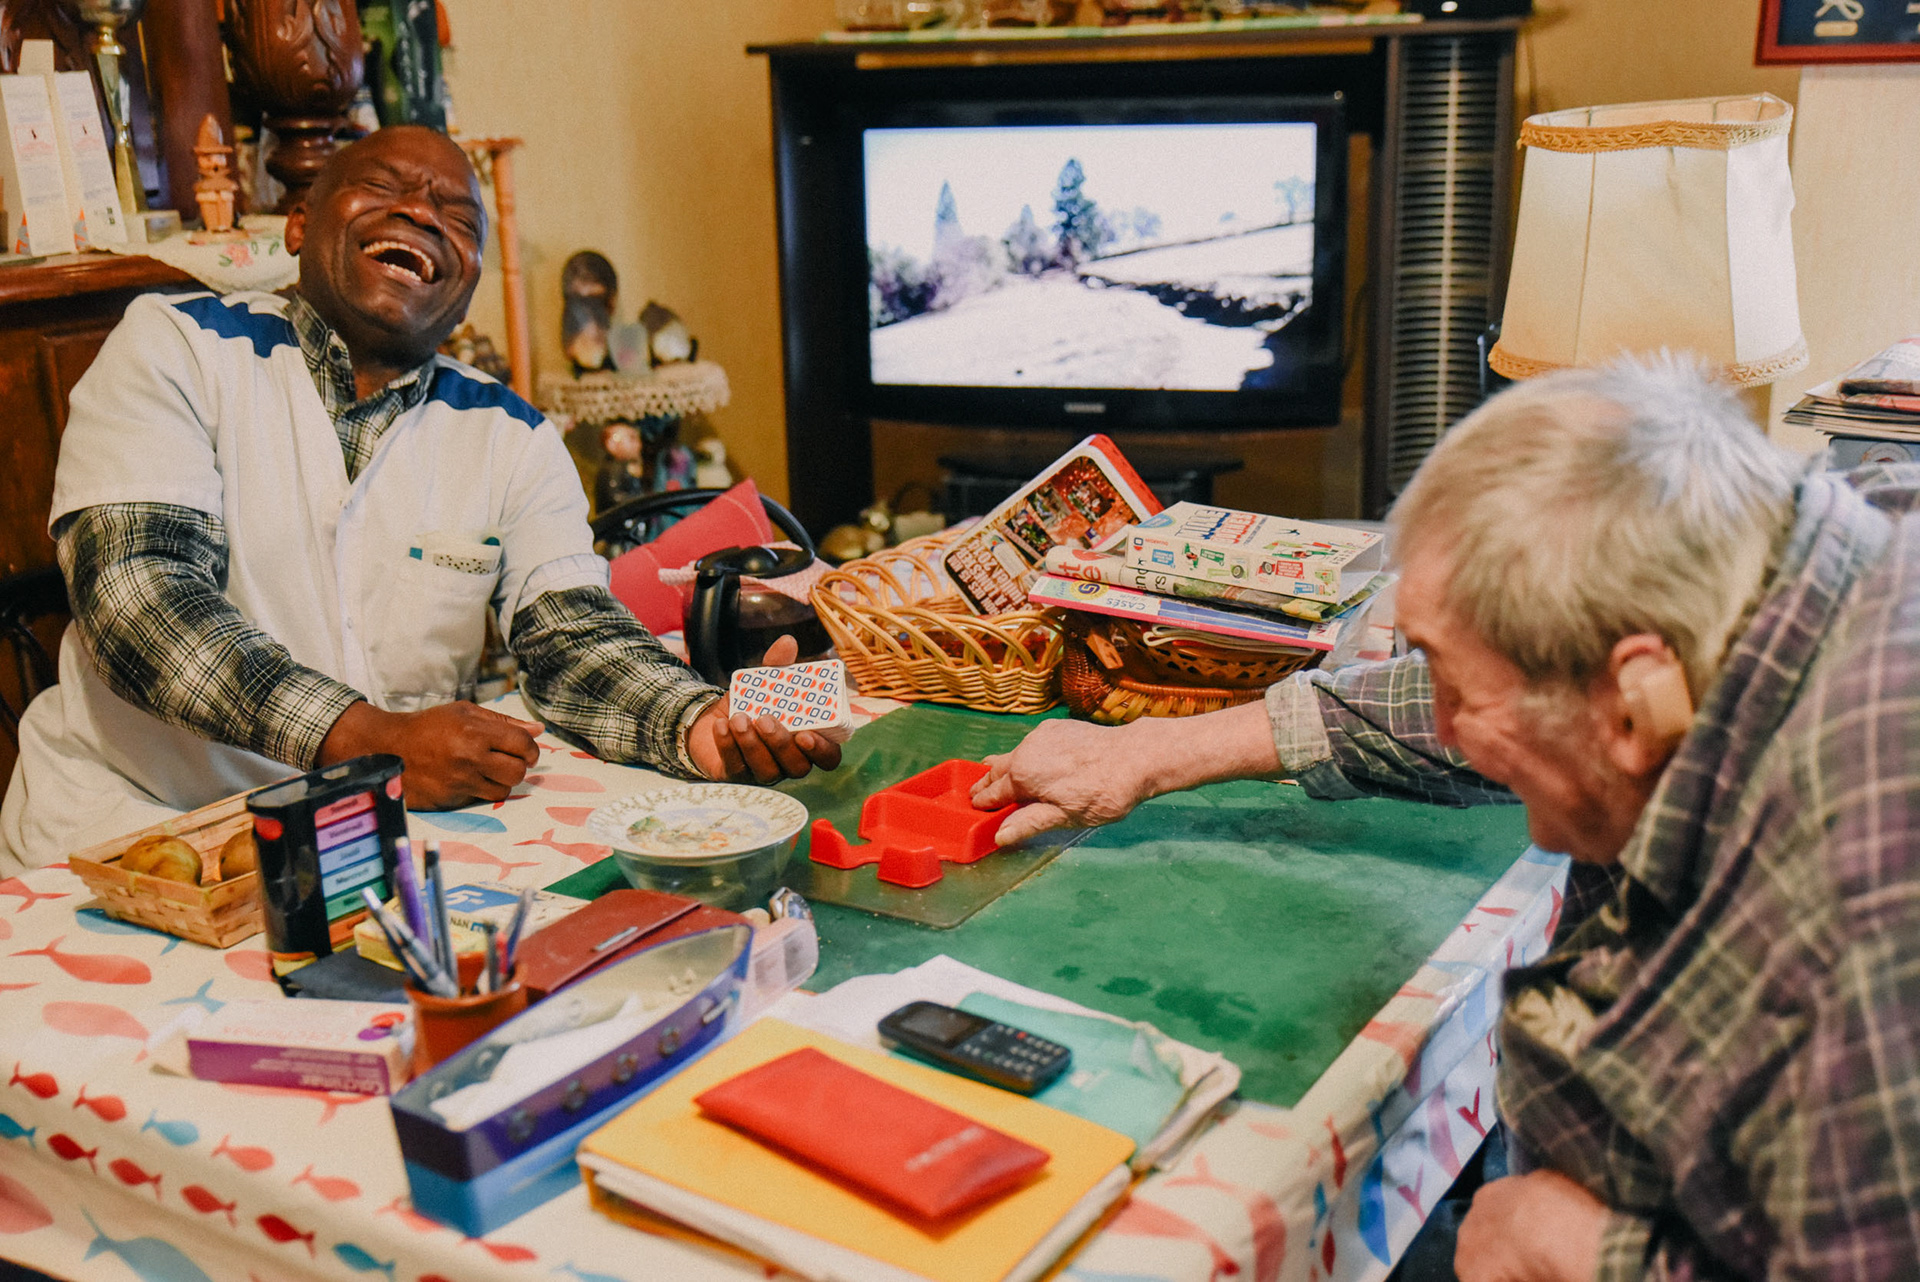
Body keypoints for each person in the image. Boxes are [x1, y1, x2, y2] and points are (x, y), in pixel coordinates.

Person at [972, 356, 1920, 1280]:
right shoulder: (1792, 550)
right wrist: (1143, 751)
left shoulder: (1862, 895)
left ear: (1632, 705)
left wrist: (1592, 1256)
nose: (1448, 722)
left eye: (1461, 692)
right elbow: (1473, 689)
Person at [0, 126, 835, 870]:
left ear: (467, 280)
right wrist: (373, 742)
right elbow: (140, 607)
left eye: (459, 217)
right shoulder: (174, 347)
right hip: (135, 838)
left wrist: (702, 726)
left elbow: (572, 634)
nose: (426, 214)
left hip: (365, 843)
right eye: (388, 186)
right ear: (297, 226)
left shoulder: (514, 435)